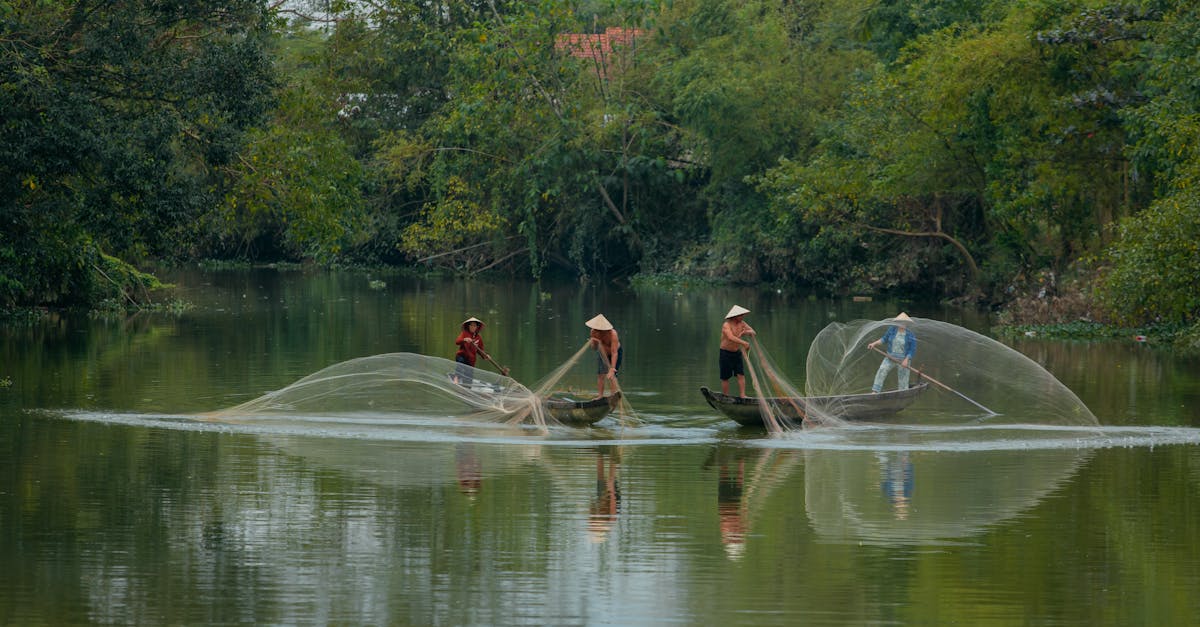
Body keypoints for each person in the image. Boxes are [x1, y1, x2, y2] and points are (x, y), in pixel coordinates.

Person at [867, 312, 917, 392]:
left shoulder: (910, 334)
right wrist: (874, 344)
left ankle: (903, 393)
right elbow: (884, 339)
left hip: (903, 360)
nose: (901, 324)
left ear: (907, 323)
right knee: (882, 370)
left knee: (903, 379)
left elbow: (912, 350)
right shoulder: (892, 330)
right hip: (890, 357)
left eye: (903, 322)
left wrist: (906, 360)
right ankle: (875, 391)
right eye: (900, 322)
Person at [719, 305, 756, 397]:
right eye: (740, 315)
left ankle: (742, 395)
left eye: (743, 315)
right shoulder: (726, 325)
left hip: (736, 353)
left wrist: (745, 332)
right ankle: (726, 396)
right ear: (735, 316)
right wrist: (744, 343)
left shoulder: (742, 324)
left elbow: (753, 332)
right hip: (725, 353)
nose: (742, 317)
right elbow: (730, 337)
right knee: (725, 377)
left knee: (740, 374)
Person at [586, 314, 622, 398]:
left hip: (615, 353)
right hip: (602, 353)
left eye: (599, 330)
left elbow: (614, 352)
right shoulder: (593, 332)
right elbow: (594, 348)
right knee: (601, 375)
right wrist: (594, 342)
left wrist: (612, 368)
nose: (597, 331)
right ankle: (600, 396)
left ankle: (613, 395)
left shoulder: (612, 334)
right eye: (596, 329)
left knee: (612, 375)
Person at [453, 316, 486, 384]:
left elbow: (480, 350)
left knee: (468, 381)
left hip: (471, 360)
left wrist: (485, 356)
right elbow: (457, 341)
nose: (473, 327)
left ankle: (466, 388)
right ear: (468, 326)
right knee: (460, 363)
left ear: (477, 327)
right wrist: (465, 339)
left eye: (474, 326)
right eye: (471, 325)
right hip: (462, 356)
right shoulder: (464, 333)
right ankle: (456, 378)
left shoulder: (478, 338)